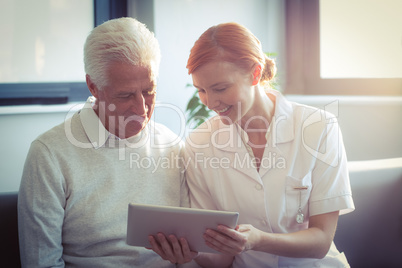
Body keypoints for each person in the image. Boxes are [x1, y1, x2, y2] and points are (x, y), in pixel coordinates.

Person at [149, 22, 355, 267]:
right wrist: (190, 254)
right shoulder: (200, 142)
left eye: (220, 88)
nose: (210, 102)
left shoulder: (319, 127)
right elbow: (220, 259)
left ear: (255, 73)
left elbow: (321, 241)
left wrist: (257, 240)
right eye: (201, 90)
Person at [18, 17, 191, 268]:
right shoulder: (49, 154)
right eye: (125, 95)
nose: (142, 108)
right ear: (93, 86)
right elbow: (41, 262)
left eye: (149, 90)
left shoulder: (172, 145)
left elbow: (189, 249)